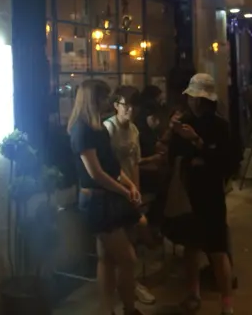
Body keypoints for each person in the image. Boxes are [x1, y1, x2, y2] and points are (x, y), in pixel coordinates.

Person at [68, 80, 143, 315]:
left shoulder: (97, 126)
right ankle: (129, 309)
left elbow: (112, 166)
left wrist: (130, 184)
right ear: (93, 99)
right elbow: (96, 173)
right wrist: (125, 191)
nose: (107, 102)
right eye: (103, 97)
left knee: (107, 259)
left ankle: (107, 309)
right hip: (96, 201)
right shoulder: (82, 130)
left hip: (105, 199)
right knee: (127, 259)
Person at [162, 74, 236, 315]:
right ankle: (193, 295)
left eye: (196, 98)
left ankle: (227, 303)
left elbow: (226, 162)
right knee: (191, 247)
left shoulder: (219, 125)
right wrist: (170, 131)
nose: (192, 101)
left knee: (217, 250)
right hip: (188, 193)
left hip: (211, 194)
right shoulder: (184, 121)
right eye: (191, 97)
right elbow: (172, 154)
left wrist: (197, 142)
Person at [104, 86, 156, 306]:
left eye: (135, 106)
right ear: (116, 105)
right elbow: (106, 167)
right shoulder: (108, 128)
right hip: (113, 191)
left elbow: (135, 163)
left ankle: (130, 285)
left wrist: (137, 191)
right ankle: (123, 290)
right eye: (126, 105)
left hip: (130, 191)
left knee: (132, 237)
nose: (131, 110)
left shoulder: (134, 129)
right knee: (116, 251)